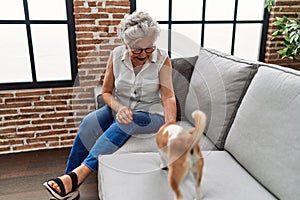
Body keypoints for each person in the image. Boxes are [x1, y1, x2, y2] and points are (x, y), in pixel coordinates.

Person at [43, 11, 177, 200]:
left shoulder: (163, 59)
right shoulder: (116, 56)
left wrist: (170, 126)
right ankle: (69, 183)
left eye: (150, 48)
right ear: (126, 44)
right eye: (138, 49)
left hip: (150, 114)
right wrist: (119, 108)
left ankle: (79, 174)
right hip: (120, 108)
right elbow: (106, 92)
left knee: (128, 120)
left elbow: (168, 96)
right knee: (89, 122)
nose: (145, 54)